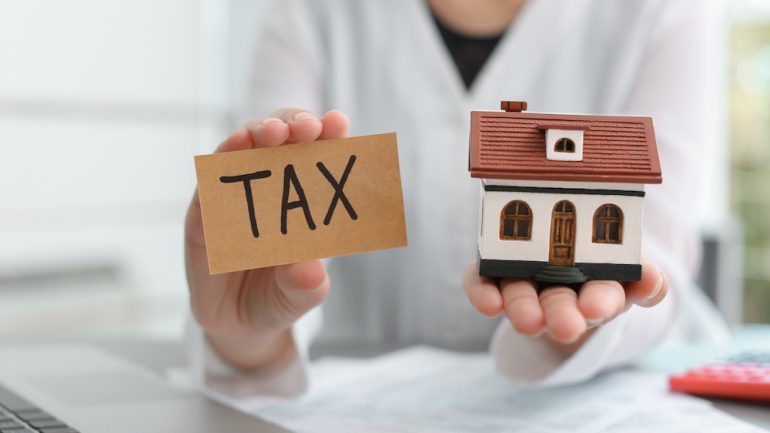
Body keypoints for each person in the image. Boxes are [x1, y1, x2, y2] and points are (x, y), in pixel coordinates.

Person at [185, 0, 728, 396]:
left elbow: (654, 250)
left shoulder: (666, 11)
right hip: (344, 395)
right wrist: (249, 339)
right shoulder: (309, 11)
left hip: (608, 397)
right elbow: (265, 263)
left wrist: (580, 331)